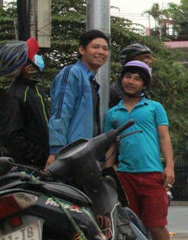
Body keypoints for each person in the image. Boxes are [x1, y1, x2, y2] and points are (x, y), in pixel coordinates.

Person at [104, 60, 175, 240]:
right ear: (121, 80)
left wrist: (169, 166)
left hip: (152, 173)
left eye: (137, 79)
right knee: (130, 225)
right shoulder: (112, 113)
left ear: (144, 85)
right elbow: (111, 145)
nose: (131, 82)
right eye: (128, 77)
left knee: (156, 223)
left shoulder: (154, 108)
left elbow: (164, 137)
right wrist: (108, 174)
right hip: (125, 176)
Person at [47, 29, 110, 166]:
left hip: (86, 156)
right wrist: (56, 150)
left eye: (105, 49)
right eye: (95, 47)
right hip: (69, 155)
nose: (101, 52)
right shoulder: (72, 73)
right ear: (82, 50)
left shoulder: (91, 82)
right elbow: (60, 112)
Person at [0, 38, 48, 167]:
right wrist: (37, 156)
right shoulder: (14, 95)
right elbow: (11, 136)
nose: (37, 58)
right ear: (25, 67)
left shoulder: (35, 89)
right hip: (29, 167)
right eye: (32, 57)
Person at [109, 43, 153, 107]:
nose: (147, 68)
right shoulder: (114, 94)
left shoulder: (144, 95)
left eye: (149, 65)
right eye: (144, 63)